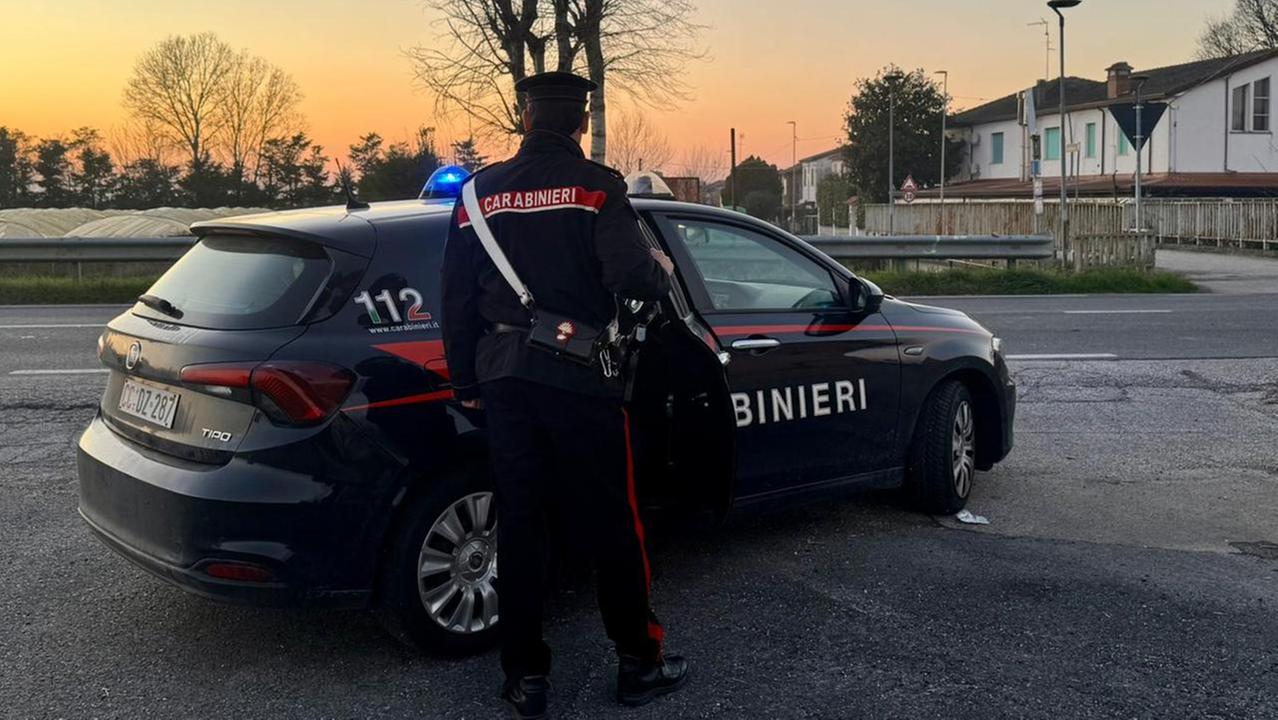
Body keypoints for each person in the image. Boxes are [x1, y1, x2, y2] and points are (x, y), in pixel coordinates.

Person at [440, 71, 689, 719]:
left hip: (504, 380)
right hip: (581, 378)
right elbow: (632, 279)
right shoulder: (598, 188)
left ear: (525, 118)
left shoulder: (476, 194)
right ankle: (638, 662)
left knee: (520, 526)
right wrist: (660, 271)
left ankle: (526, 679)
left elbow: (456, 301)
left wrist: (466, 384)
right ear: (580, 123)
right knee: (614, 521)